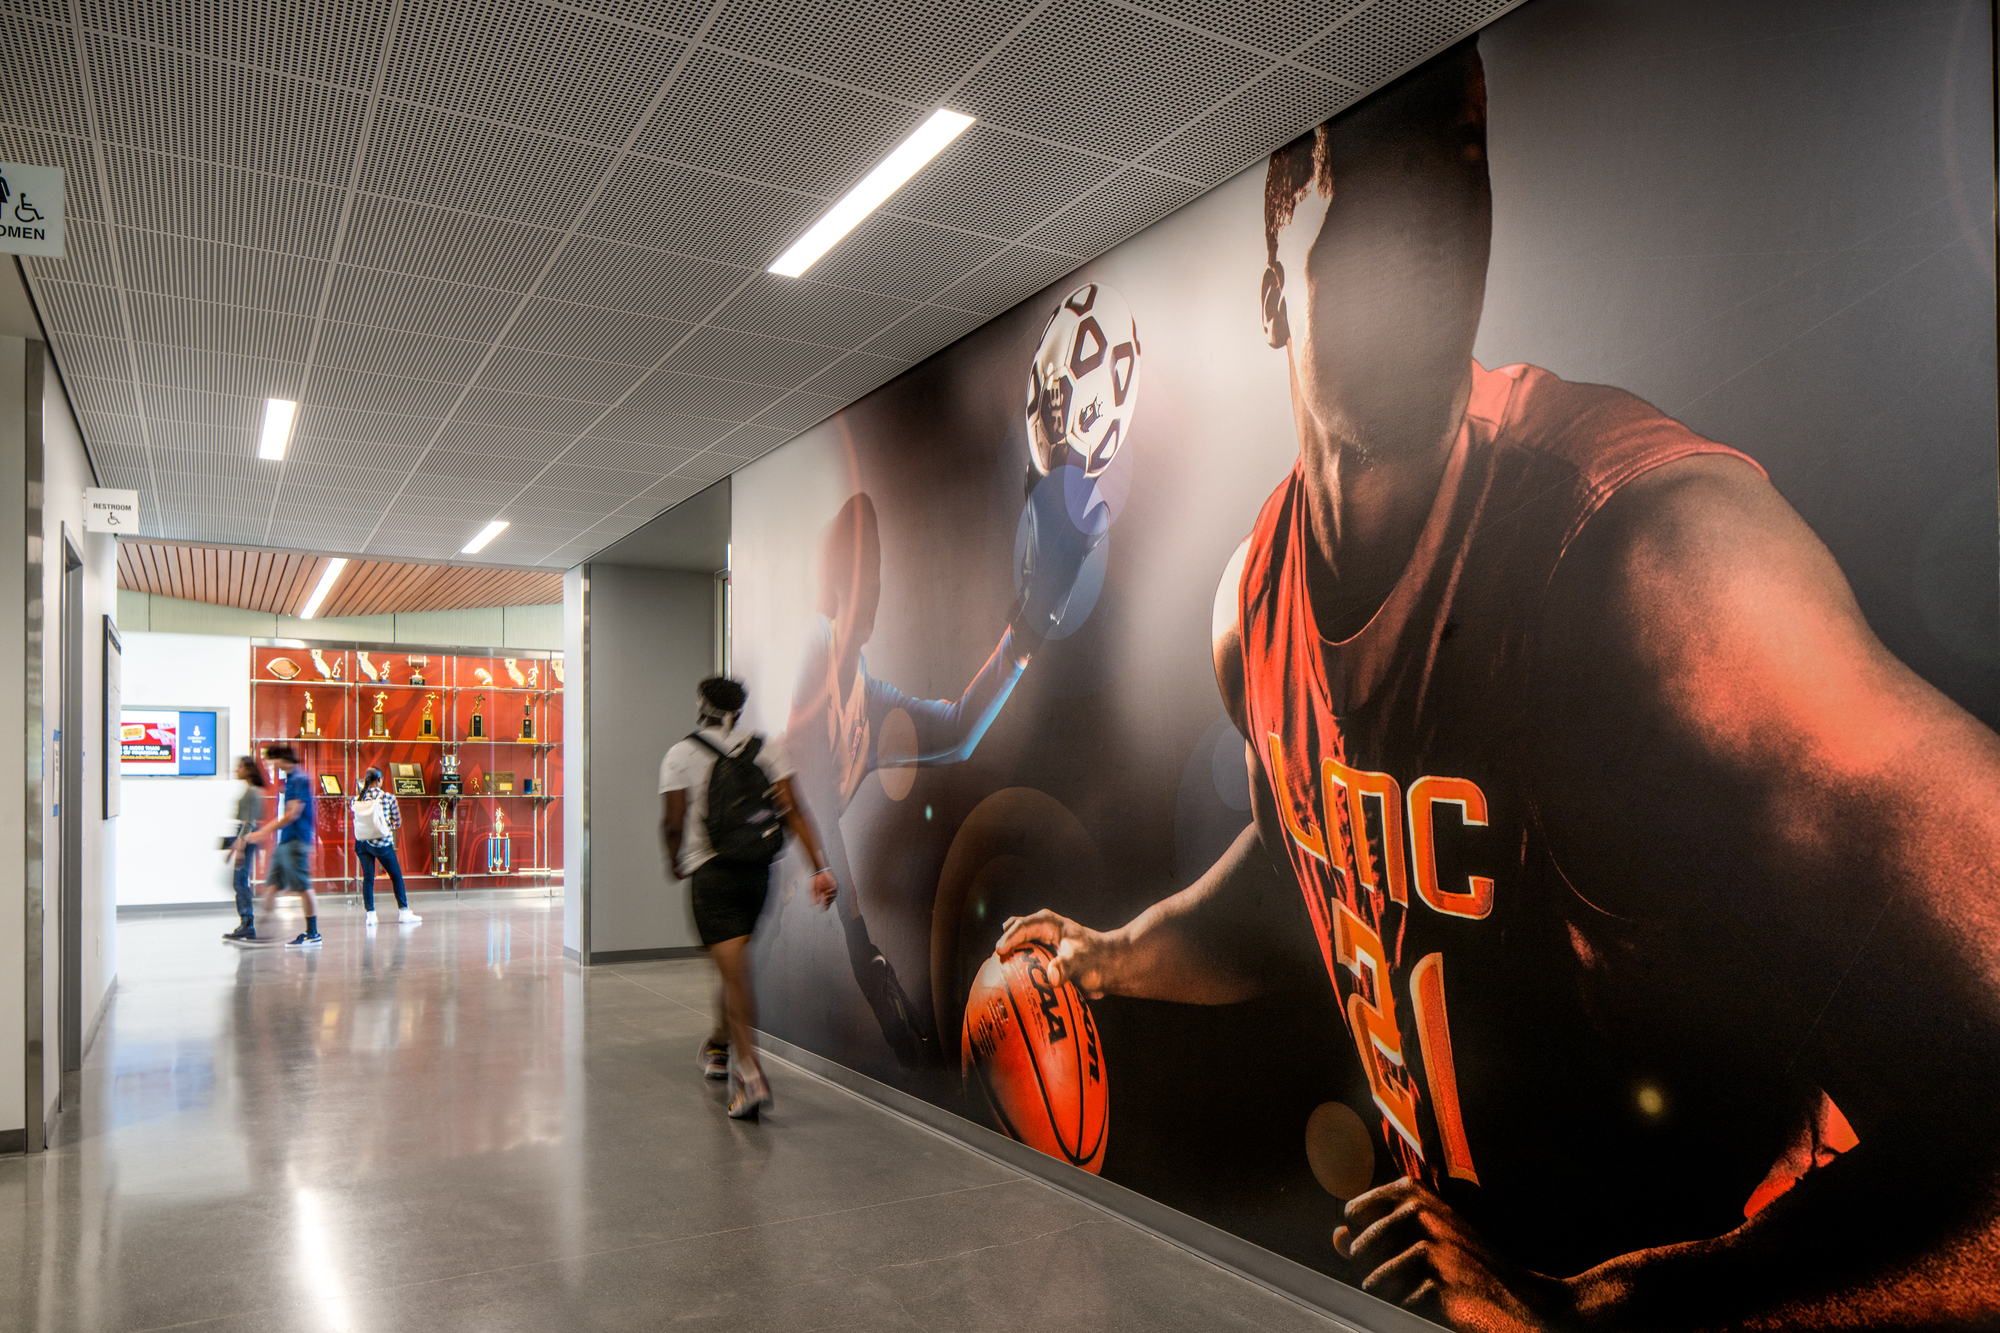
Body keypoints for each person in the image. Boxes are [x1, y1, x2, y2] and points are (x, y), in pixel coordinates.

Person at [997, 40, 2000, 1331]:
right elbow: (1309, 842)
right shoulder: (1255, 603)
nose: (1415, 213)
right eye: (1358, 181)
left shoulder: (1658, 574)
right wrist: (1122, 952)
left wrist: (1596, 1309)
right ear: (1270, 277)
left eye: (1454, 158)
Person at [783, 493, 1033, 1066]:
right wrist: (857, 942)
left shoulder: (868, 698)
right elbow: (814, 789)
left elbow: (959, 732)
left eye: (878, 572)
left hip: (807, 883)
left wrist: (1024, 634)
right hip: (770, 858)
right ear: (837, 580)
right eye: (863, 571)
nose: (874, 587)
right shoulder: (814, 643)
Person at [661, 676, 837, 1119]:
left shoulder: (680, 755)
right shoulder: (767, 749)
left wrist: (674, 860)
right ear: (738, 711)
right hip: (758, 875)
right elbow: (794, 809)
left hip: (713, 874)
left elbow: (673, 823)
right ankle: (719, 1046)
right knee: (733, 967)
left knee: (734, 974)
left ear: (700, 706)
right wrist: (820, 867)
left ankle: (751, 1075)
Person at [249, 744, 322, 949]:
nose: (270, 764)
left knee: (303, 886)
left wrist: (264, 831)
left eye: (272, 759)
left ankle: (312, 933)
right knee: (272, 883)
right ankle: (261, 932)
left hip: (297, 841)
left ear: (281, 759)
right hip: (286, 841)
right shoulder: (291, 779)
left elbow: (292, 814)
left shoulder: (299, 778)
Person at [352, 767, 421, 928]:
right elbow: (397, 821)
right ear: (380, 780)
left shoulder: (356, 799)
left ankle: (370, 915)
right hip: (382, 844)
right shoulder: (388, 798)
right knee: (396, 876)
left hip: (362, 843)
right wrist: (387, 824)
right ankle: (404, 911)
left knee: (368, 879)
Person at [221, 756, 267, 943]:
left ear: (247, 769)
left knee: (240, 882)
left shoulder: (252, 792)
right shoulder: (251, 791)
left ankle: (247, 923)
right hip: (244, 838)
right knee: (239, 881)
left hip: (246, 839)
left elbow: (249, 823)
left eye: (239, 767)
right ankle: (246, 923)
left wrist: (239, 847)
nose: (236, 770)